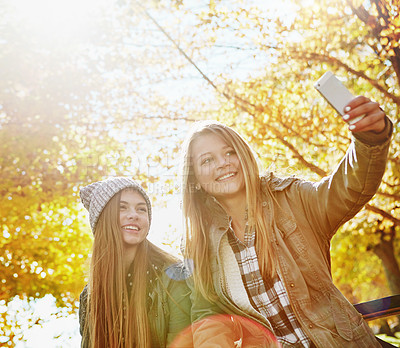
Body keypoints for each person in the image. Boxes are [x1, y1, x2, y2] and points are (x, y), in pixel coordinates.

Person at [181, 96, 393, 347]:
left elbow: (346, 188)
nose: (223, 163)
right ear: (194, 179)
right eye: (207, 160)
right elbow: (208, 317)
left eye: (230, 152)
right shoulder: (200, 244)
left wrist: (369, 139)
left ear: (243, 156)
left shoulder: (291, 198)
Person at [78, 177, 192, 348]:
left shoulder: (173, 276)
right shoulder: (90, 296)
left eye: (141, 209)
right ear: (103, 219)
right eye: (122, 207)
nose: (134, 215)